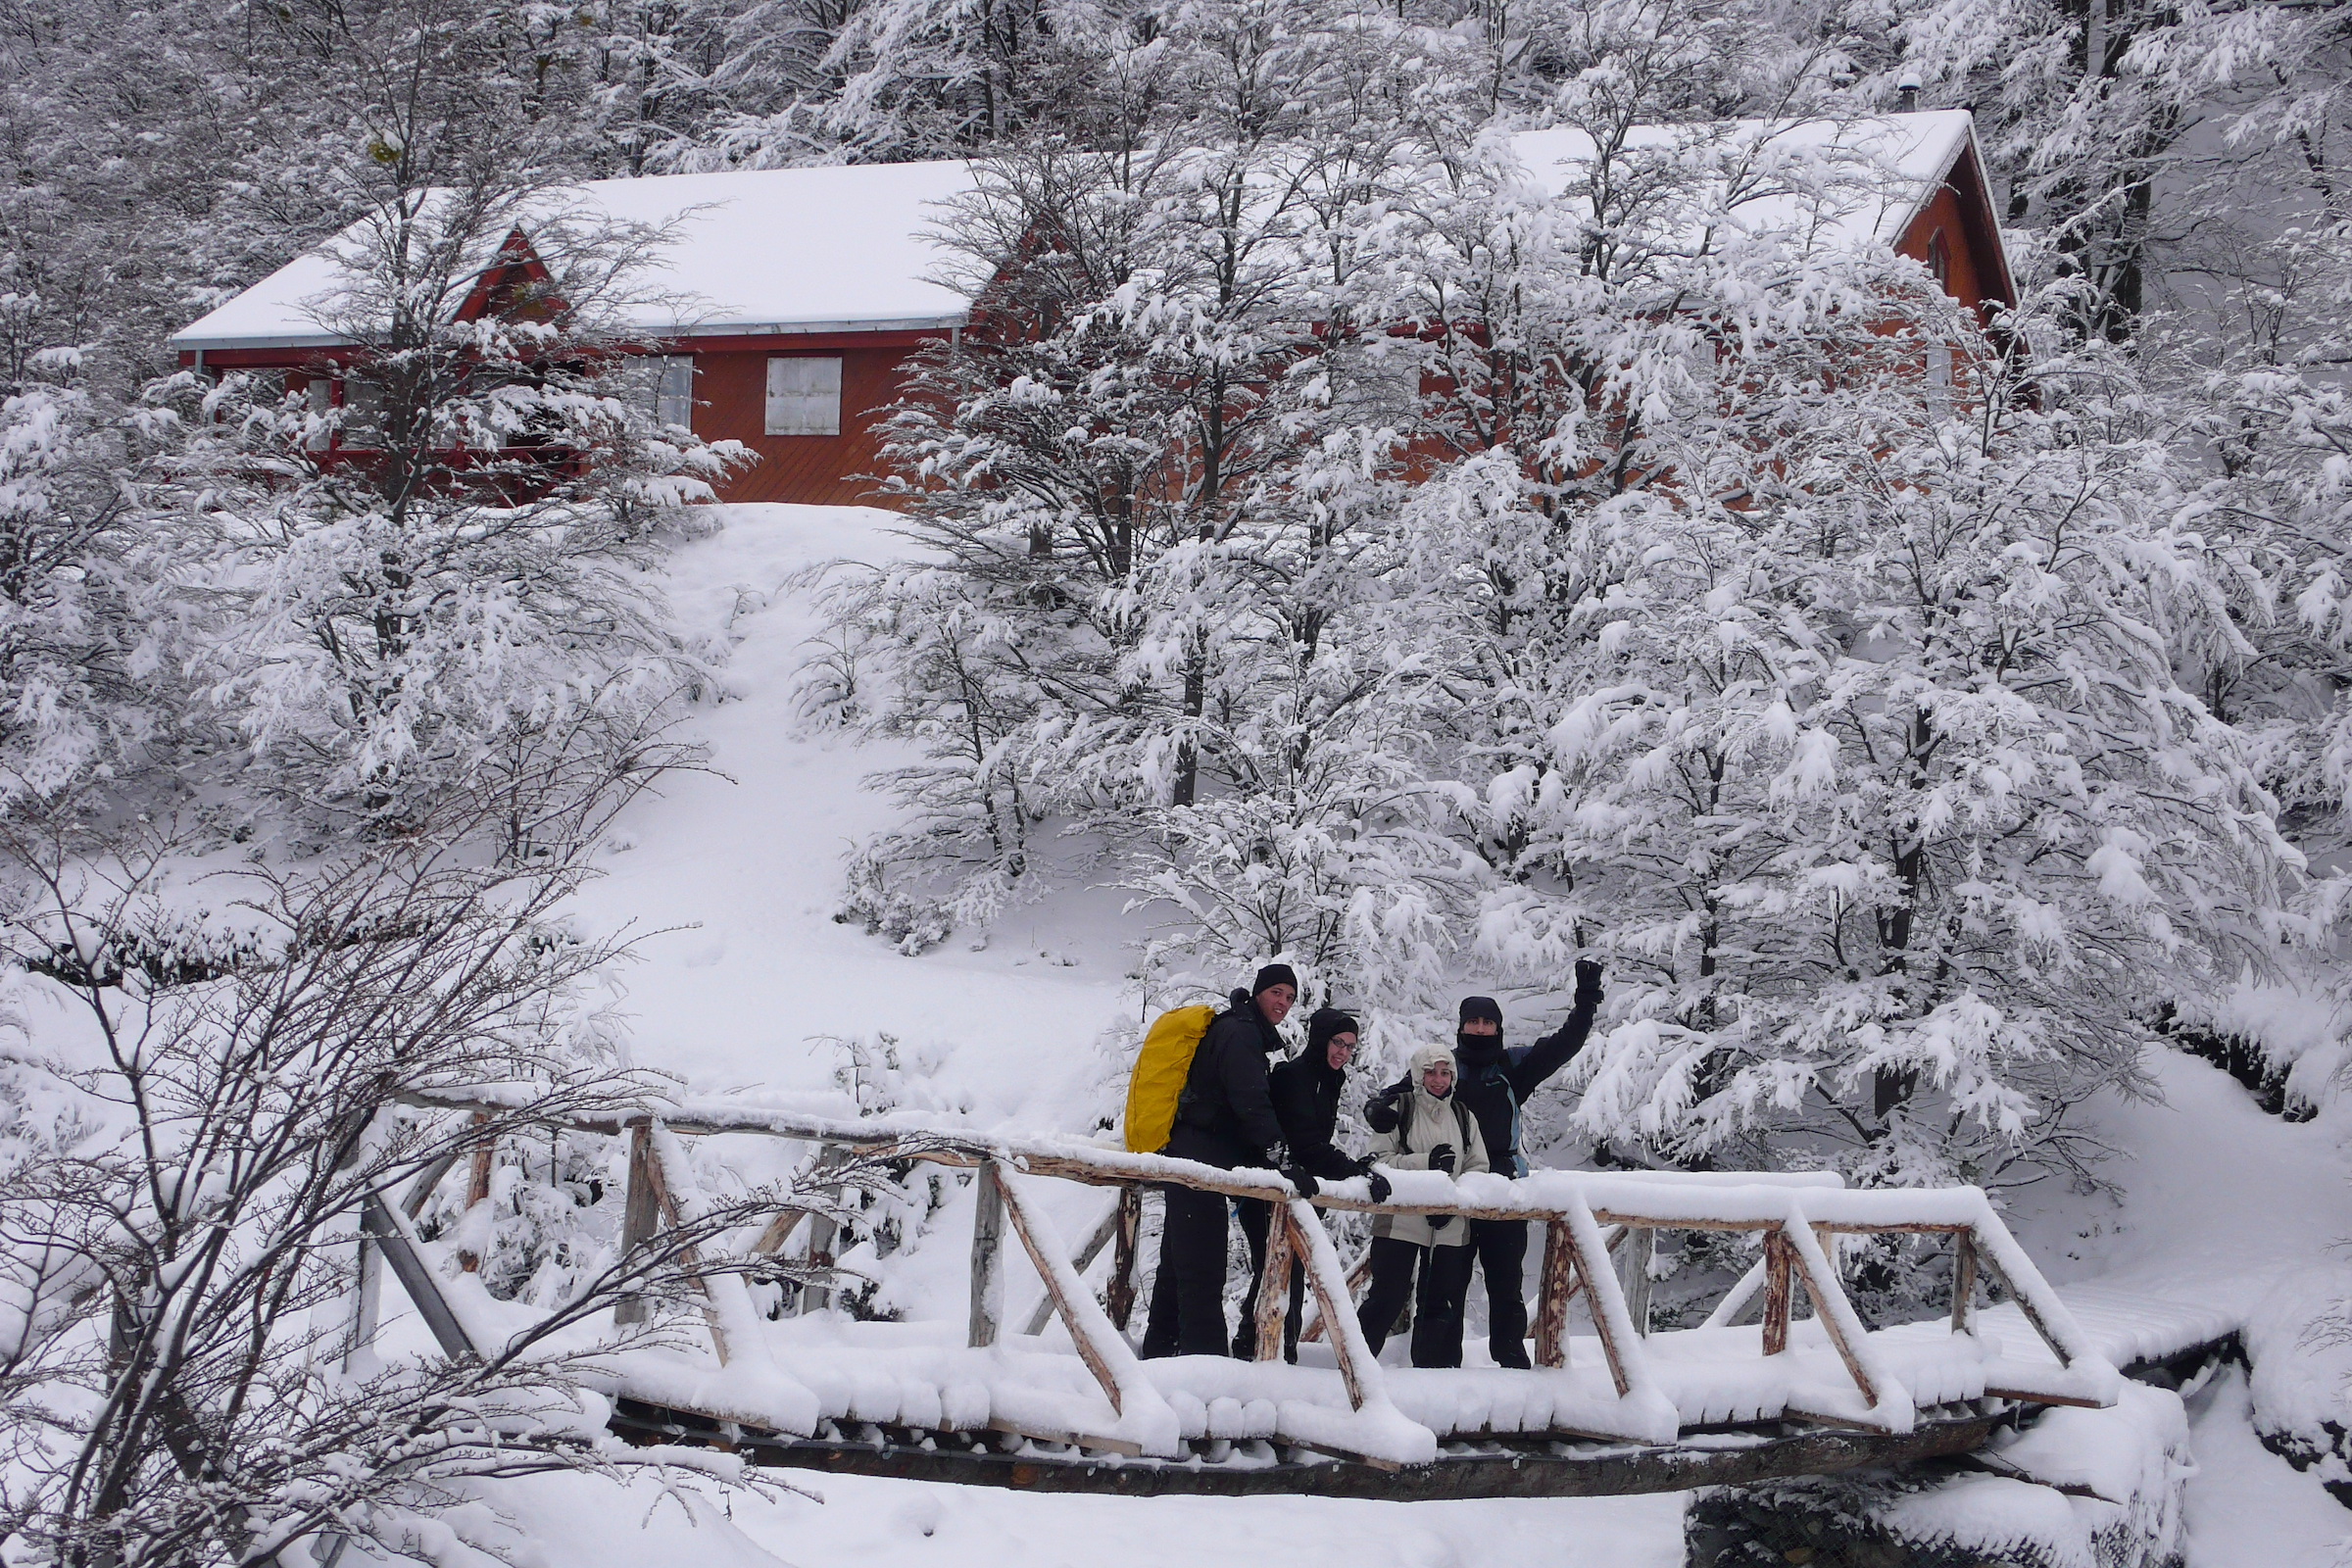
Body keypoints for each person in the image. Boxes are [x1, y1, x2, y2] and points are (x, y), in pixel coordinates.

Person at [1367, 959, 1604, 1367]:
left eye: (1487, 1022)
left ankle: (1511, 1366)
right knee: (1443, 1287)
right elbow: (1399, 1095)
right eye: (1472, 1021)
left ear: (1498, 1027)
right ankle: (1436, 1367)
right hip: (1451, 1190)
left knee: (1505, 1286)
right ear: (1461, 1026)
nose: (1479, 1028)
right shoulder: (1445, 1068)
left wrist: (1585, 1000)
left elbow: (1566, 1043)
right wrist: (1377, 1107)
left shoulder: (1512, 1066)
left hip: (1501, 1187)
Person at [1140, 964, 1320, 1358]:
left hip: (1195, 1154)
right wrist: (1282, 1158)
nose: (1283, 1003)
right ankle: (1204, 1364)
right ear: (1258, 993)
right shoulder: (1240, 1033)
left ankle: (1159, 1354)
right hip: (1197, 1158)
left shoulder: (1240, 1029)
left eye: (1290, 997)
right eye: (1276, 992)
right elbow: (1250, 1102)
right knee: (1202, 1267)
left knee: (1178, 1264)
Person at [1232, 1006, 1395, 1360]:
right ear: (1321, 1039)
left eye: (1350, 1046)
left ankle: (1265, 1349)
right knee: (1275, 1269)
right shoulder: (1295, 1076)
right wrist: (1355, 1171)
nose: (1343, 1052)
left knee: (1282, 1270)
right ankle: (1263, 1351)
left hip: (1297, 1190)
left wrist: (1353, 1169)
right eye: (1338, 1042)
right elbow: (1307, 1144)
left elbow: (1313, 1146)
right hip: (1270, 1188)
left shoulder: (1328, 1078)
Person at [1355, 1043, 1488, 1365]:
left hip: (1450, 1226)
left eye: (1445, 1073)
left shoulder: (1463, 1115)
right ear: (1418, 1074)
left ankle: (1433, 1380)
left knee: (1440, 1305)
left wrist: (1451, 1203)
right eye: (1430, 1072)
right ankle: (1352, 1366)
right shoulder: (1399, 1108)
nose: (1438, 1079)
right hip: (1399, 1220)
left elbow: (1478, 1167)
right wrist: (1425, 1164)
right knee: (1386, 1298)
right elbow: (1379, 1162)